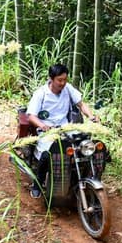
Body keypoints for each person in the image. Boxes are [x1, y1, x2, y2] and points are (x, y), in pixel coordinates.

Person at [26, 63, 99, 198]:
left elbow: (81, 104)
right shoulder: (41, 93)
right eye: (59, 80)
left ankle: (83, 178)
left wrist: (91, 116)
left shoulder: (68, 89)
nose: (63, 83)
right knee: (48, 153)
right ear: (51, 79)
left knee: (86, 145)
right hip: (47, 131)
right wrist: (43, 126)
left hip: (66, 128)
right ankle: (37, 184)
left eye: (65, 79)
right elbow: (31, 116)